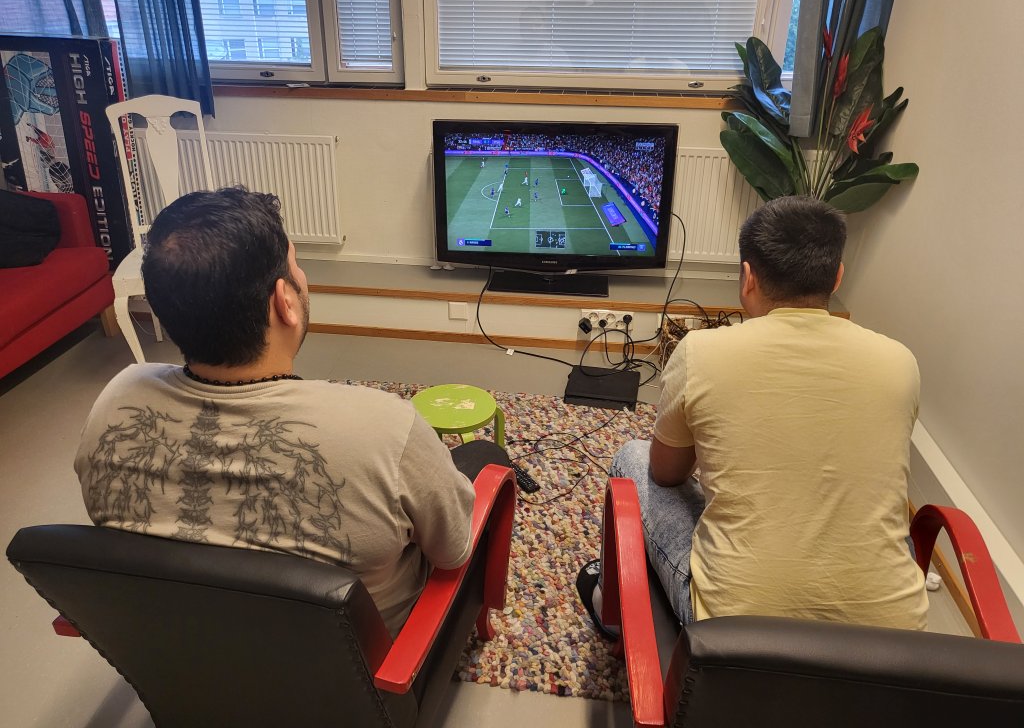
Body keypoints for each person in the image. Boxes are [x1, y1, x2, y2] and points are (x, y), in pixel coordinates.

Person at [74, 187, 509, 637]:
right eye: (296, 265)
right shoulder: (385, 427)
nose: (303, 277)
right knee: (484, 457)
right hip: (362, 667)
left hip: (188, 649)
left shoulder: (114, 404)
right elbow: (453, 553)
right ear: (284, 301)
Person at [577, 195, 927, 638]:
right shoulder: (900, 362)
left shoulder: (700, 352)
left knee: (632, 454)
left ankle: (610, 610)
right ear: (837, 276)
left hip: (737, 629)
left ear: (747, 278)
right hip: (891, 635)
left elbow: (665, 474)